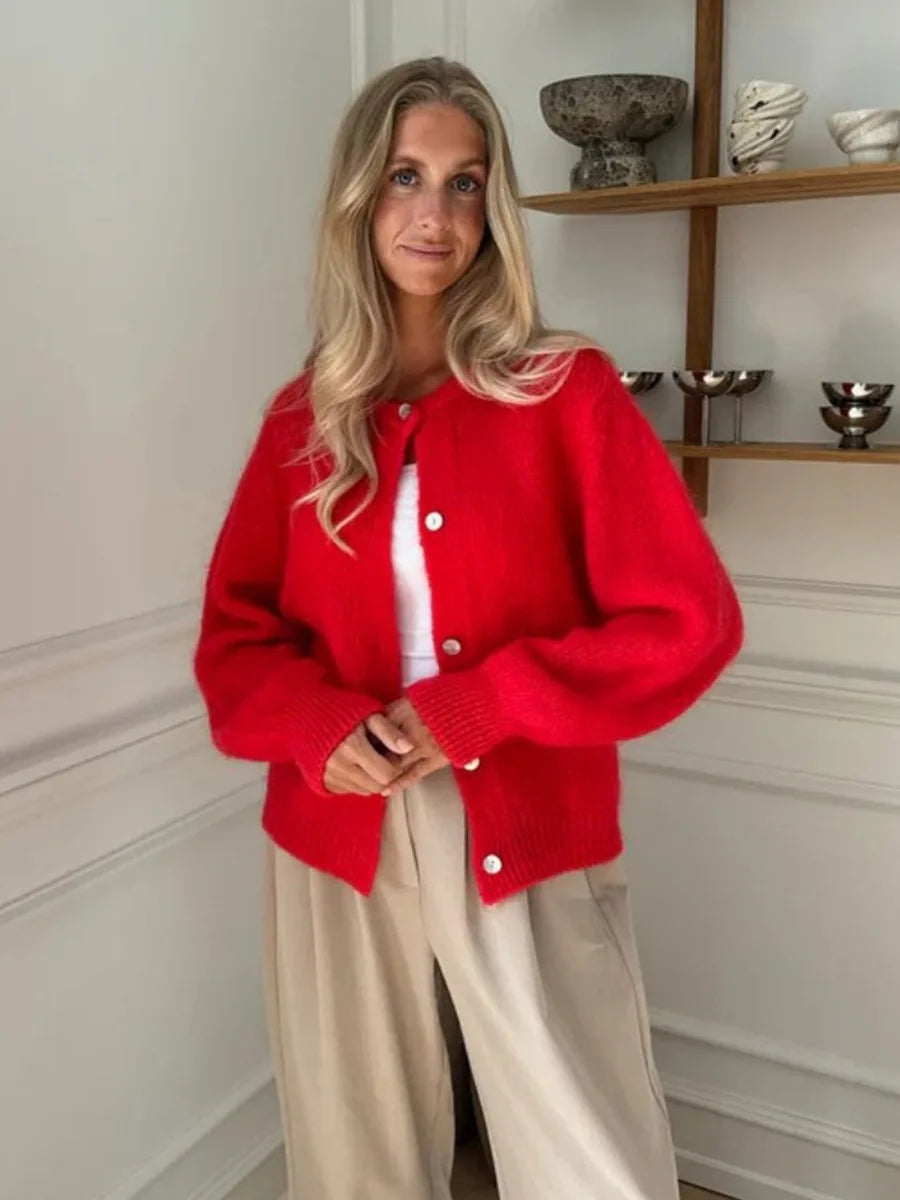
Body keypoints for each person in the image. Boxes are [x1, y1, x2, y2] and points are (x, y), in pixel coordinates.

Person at [194, 56, 743, 1200]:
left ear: (493, 206)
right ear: (360, 197)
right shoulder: (304, 417)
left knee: (591, 1162)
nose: (434, 215)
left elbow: (687, 623)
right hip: (336, 826)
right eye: (406, 177)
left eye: (465, 181)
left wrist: (479, 708)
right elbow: (233, 640)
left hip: (520, 815)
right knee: (355, 1168)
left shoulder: (565, 392)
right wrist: (317, 725)